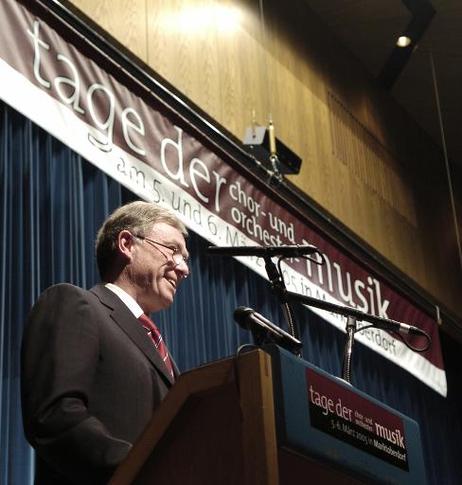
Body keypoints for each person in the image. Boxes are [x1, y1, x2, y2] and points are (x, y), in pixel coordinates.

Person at [21, 201, 189, 484]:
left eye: (186, 258)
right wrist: (145, 470)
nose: (184, 269)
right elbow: (56, 417)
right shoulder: (75, 303)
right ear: (127, 244)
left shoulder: (164, 355)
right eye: (173, 250)